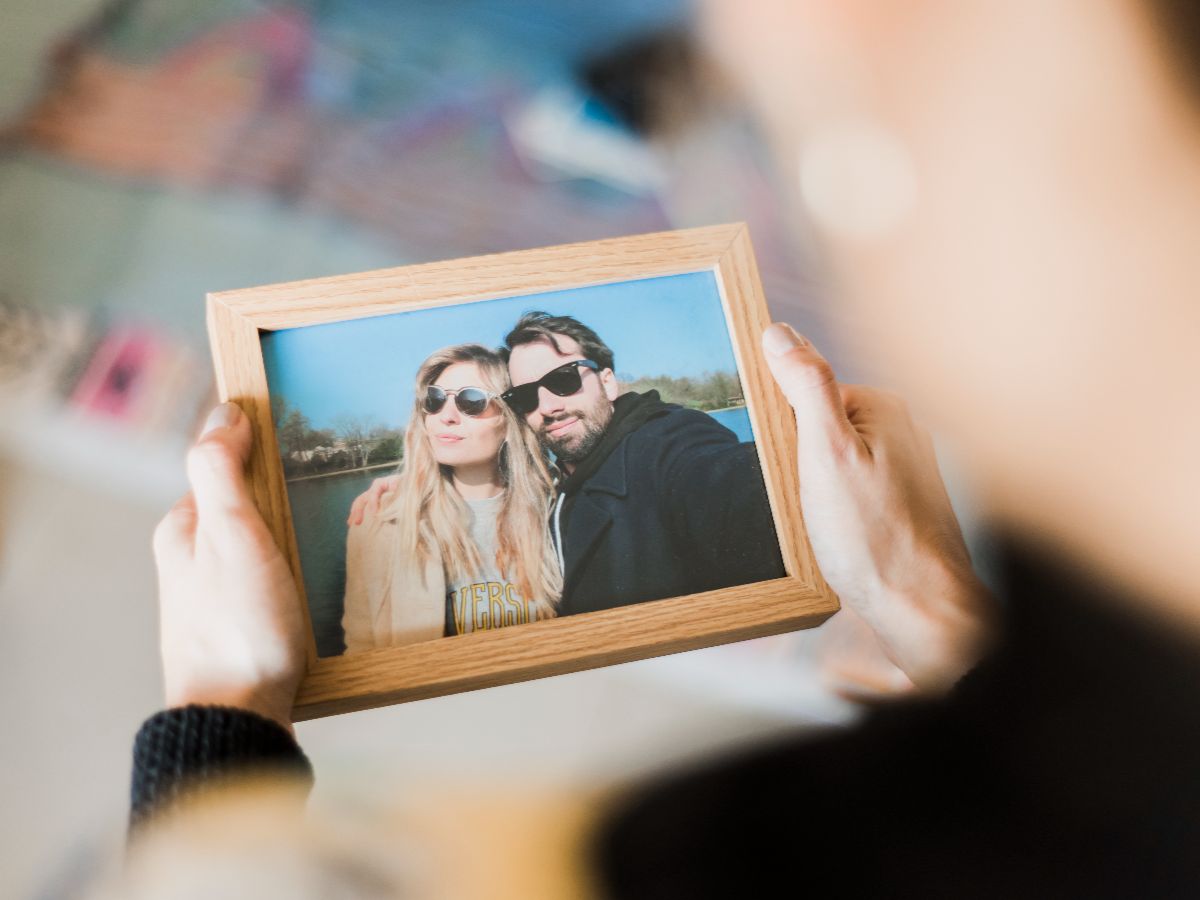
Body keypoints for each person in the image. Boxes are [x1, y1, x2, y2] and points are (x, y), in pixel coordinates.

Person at [135, 0, 1200, 894]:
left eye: (557, 382)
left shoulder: (675, 452)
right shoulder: (479, 500)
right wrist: (924, 607)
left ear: (609, 379)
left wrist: (223, 715)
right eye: (506, 397)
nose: (531, 407)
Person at [350, 311, 786, 617]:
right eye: (525, 396)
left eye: (563, 379)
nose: (549, 405)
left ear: (608, 382)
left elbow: (725, 482)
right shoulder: (552, 494)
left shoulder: (667, 442)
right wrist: (410, 486)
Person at [342, 344, 560, 651]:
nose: (447, 415)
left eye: (472, 401)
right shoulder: (380, 522)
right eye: (435, 400)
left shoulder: (555, 509)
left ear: (510, 423)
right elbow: (360, 650)